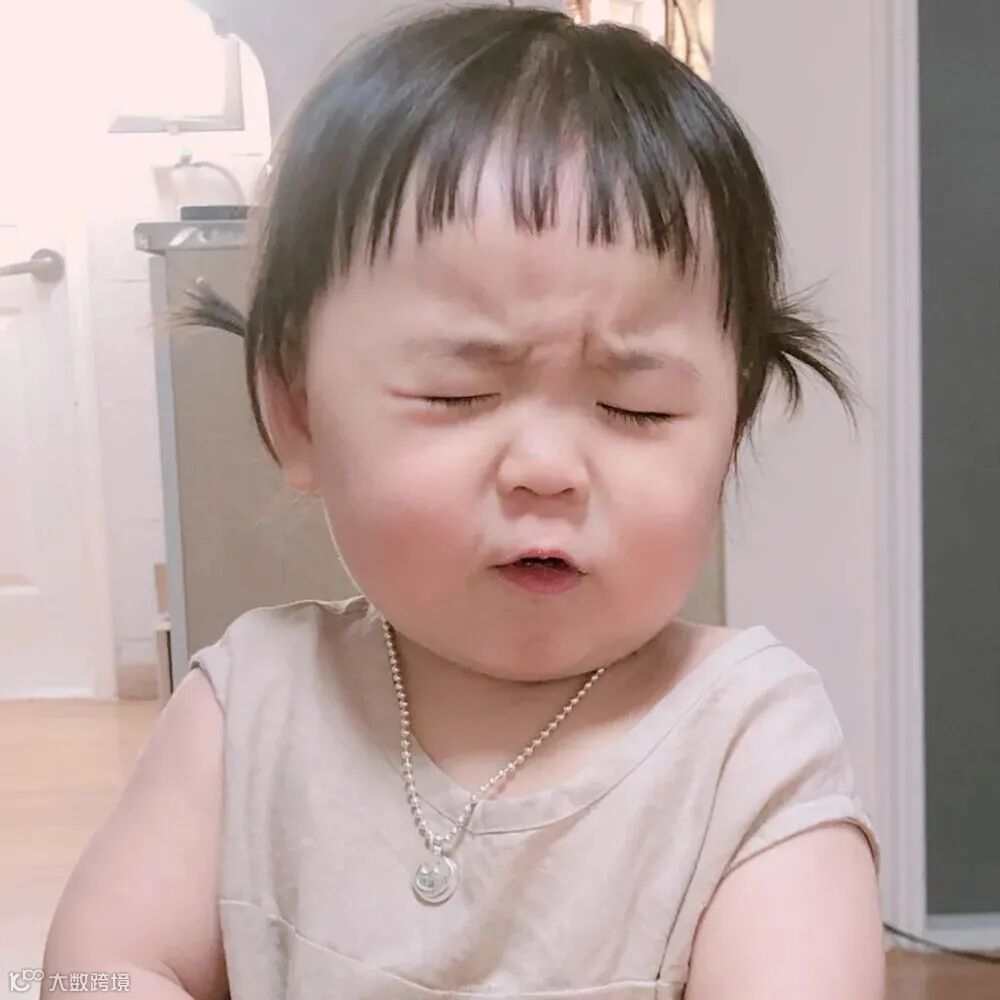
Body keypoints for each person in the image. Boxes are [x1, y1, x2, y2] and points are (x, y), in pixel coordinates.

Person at [43, 6, 885, 998]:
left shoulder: (748, 740)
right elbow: (98, 967)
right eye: (458, 393)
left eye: (638, 407)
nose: (547, 467)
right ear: (297, 411)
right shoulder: (250, 709)